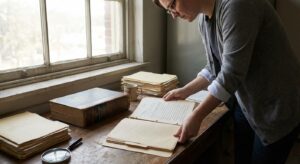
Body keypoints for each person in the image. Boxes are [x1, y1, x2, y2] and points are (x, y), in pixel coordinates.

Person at [152, 0, 300, 163]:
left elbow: (230, 74)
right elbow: (214, 68)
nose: (173, 15)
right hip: (247, 104)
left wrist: (197, 116)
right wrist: (184, 91)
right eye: (169, 11)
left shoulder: (237, 5)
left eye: (173, 5)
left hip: (276, 107)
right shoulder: (204, 18)